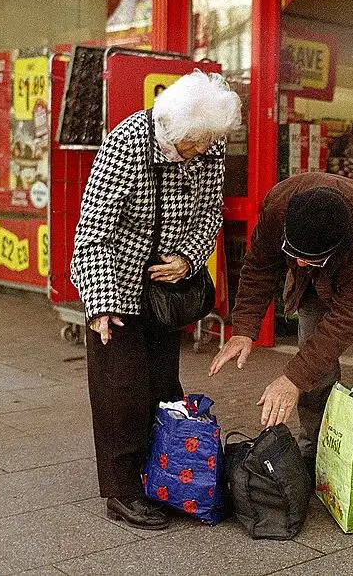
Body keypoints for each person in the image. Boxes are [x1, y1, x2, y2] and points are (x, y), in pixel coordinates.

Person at [71, 70, 241, 531]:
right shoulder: (126, 144)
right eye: (196, 144)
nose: (203, 151)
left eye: (209, 143)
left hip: (166, 291)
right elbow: (93, 232)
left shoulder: (208, 142)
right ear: (175, 127)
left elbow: (210, 212)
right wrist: (101, 304)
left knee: (163, 387)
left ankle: (161, 476)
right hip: (117, 281)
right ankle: (122, 491)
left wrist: (188, 259)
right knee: (120, 391)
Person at [208, 172, 353, 480]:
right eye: (294, 254)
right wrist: (243, 329)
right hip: (312, 289)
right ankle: (317, 451)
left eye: (312, 259)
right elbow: (259, 267)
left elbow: (348, 317)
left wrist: (292, 378)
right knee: (314, 375)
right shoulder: (279, 205)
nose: (300, 264)